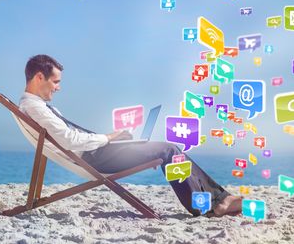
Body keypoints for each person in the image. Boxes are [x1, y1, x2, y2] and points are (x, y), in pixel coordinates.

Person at [19, 54, 242, 217]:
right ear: (40, 77)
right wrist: (108, 137)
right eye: (55, 81)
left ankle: (217, 198)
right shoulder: (36, 108)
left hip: (97, 152)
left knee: (167, 149)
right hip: (94, 157)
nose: (58, 88)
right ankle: (208, 205)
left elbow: (68, 138)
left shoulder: (36, 106)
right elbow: (69, 140)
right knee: (168, 150)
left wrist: (116, 140)